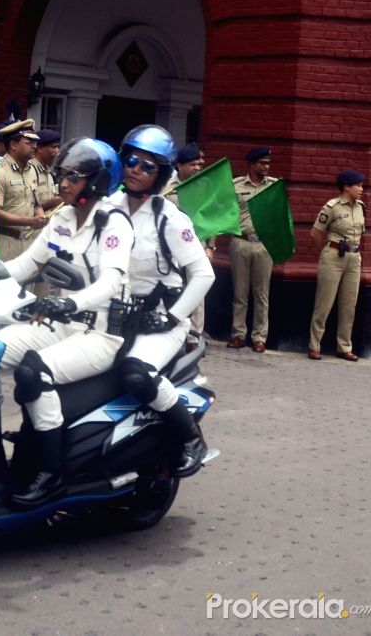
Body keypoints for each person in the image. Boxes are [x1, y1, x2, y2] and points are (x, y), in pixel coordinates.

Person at [0, 138, 134, 507]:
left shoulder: (114, 224)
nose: (63, 184)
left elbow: (111, 282)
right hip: (60, 322)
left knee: (34, 373)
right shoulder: (63, 220)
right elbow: (23, 267)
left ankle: (50, 473)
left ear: (98, 181)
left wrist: (69, 303)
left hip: (101, 333)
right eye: (62, 175)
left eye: (73, 177)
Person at [110, 125, 214, 478]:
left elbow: (204, 274)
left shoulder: (171, 219)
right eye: (131, 160)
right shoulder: (106, 208)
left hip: (158, 320)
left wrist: (174, 316)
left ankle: (190, 437)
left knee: (136, 375)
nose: (135, 169)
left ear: (162, 175)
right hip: (112, 316)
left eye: (147, 165)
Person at [307, 170, 366, 361]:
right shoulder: (331, 207)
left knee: (349, 305)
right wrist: (325, 253)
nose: (361, 189)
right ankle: (314, 345)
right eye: (358, 185)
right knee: (324, 304)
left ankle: (344, 347)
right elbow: (316, 233)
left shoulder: (361, 207)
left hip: (353, 258)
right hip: (333, 256)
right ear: (346, 187)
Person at [227, 146, 277, 353]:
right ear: (251, 164)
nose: (266, 167)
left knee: (262, 294)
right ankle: (238, 335)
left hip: (263, 244)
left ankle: (259, 337)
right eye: (262, 163)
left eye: (268, 163)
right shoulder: (236, 185)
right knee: (240, 293)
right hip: (241, 241)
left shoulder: (274, 186)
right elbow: (227, 211)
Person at [166, 143, 215, 353]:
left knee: (198, 288)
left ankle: (194, 336)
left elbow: (212, 218)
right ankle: (173, 330)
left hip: (198, 242)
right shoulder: (167, 187)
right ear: (180, 165)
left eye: (199, 164)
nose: (197, 168)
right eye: (192, 164)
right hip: (171, 244)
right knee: (173, 286)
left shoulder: (204, 187)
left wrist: (211, 246)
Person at [0, 119, 45, 262]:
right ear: (13, 144)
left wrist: (40, 216)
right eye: (29, 142)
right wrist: (29, 221)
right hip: (6, 242)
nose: (34, 146)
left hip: (29, 242)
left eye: (35, 142)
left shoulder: (32, 170)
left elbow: (34, 202)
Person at [30, 129, 62, 211]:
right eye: (54, 147)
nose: (57, 151)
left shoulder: (49, 173)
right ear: (40, 148)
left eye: (58, 147)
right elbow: (25, 209)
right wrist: (51, 203)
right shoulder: (29, 171)